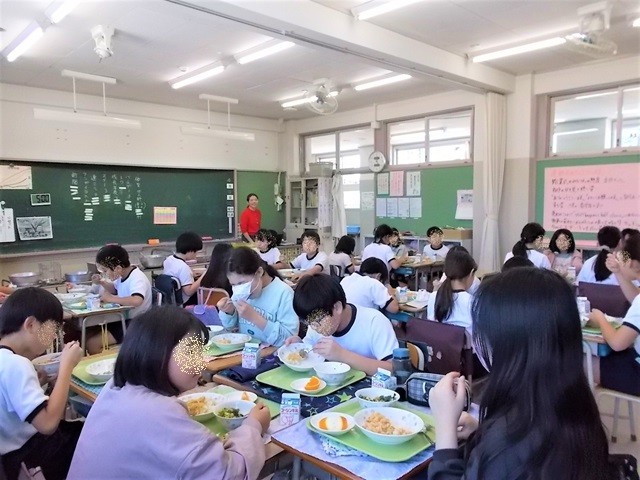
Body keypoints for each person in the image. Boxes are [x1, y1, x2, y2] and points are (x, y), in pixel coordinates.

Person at [427, 267, 610, 480]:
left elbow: (507, 458)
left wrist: (445, 428)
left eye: (482, 331)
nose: (477, 340)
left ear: (509, 344)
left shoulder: (506, 448)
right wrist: (483, 430)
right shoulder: (576, 407)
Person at [67, 307, 270, 479]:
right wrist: (253, 426)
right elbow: (229, 474)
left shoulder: (115, 387)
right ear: (157, 352)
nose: (200, 363)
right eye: (190, 352)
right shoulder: (158, 414)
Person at [0, 287, 84, 480]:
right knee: (96, 435)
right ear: (30, 324)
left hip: (12, 459)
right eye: (52, 330)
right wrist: (66, 367)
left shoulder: (6, 360)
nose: (54, 337)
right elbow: (48, 424)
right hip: (32, 458)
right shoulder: (16, 365)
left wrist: (40, 383)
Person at [286, 274, 399, 375]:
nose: (315, 328)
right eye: (309, 323)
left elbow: (392, 369)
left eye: (319, 320)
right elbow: (310, 349)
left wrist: (342, 355)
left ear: (337, 307)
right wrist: (300, 345)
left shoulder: (374, 322)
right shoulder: (315, 323)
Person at [588, 233, 640, 395]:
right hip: (634, 358)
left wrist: (600, 318)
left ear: (631, 263)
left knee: (577, 363)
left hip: (636, 372)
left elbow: (617, 343)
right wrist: (618, 272)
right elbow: (636, 298)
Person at [217, 247, 298, 347]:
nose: (238, 289)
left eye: (242, 283)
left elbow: (289, 340)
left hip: (272, 354)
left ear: (259, 272)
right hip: (245, 352)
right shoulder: (240, 293)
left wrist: (255, 318)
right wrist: (229, 312)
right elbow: (230, 328)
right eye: (233, 285)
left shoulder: (284, 293)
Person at [88, 244, 152, 353]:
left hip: (137, 324)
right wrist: (101, 282)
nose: (105, 274)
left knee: (92, 343)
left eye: (105, 271)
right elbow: (114, 289)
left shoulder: (137, 278)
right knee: (89, 331)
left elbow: (137, 300)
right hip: (123, 319)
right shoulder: (122, 275)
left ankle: (112, 363)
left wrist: (111, 298)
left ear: (117, 268)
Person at [427, 249, 477, 337]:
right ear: (471, 273)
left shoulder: (433, 297)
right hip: (467, 346)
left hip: (437, 345)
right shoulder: (473, 303)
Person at [163, 231, 204, 306]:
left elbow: (176, 274)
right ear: (190, 250)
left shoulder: (169, 259)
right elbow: (189, 292)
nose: (196, 255)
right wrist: (204, 276)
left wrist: (191, 274)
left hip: (171, 298)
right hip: (185, 302)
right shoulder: (183, 267)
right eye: (196, 252)